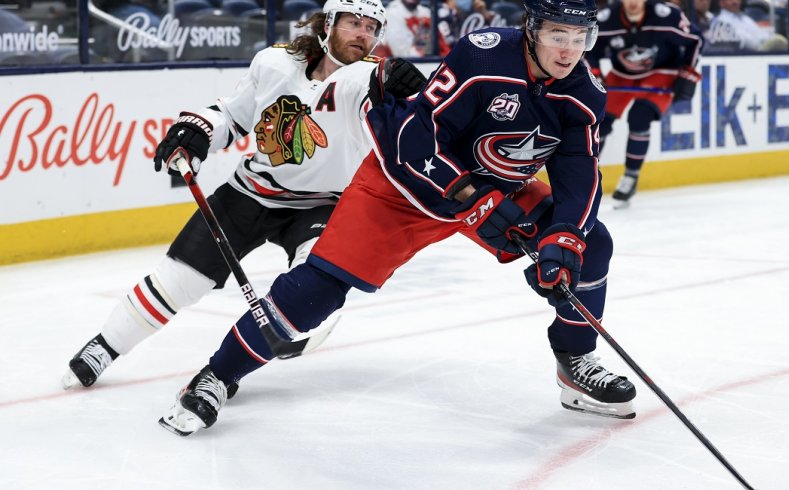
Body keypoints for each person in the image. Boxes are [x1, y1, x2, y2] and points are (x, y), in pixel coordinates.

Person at [159, 0, 638, 437]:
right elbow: (414, 135)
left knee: (589, 245)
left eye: (581, 38)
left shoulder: (583, 91)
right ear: (531, 29)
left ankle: (575, 360)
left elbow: (579, 174)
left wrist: (564, 237)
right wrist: (468, 195)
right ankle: (216, 375)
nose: (569, 50)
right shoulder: (484, 55)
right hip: (400, 187)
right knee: (316, 292)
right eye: (558, 35)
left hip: (491, 191)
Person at [62, 0, 426, 396]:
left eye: (372, 28)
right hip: (250, 193)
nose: (362, 34)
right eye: (354, 23)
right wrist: (198, 130)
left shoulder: (367, 79)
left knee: (313, 290)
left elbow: (388, 102)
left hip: (323, 204)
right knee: (178, 281)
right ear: (327, 24)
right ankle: (105, 346)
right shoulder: (274, 63)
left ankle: (221, 374)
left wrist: (406, 91)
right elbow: (232, 116)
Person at [586, 0, 703, 207]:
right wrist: (596, 74)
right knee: (599, 119)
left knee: (640, 116)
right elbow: (588, 49)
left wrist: (688, 71)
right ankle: (586, 177)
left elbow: (696, 39)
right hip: (622, 74)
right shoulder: (606, 19)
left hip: (661, 72)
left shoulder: (667, 16)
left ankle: (630, 176)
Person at [708, 0, 787, 51]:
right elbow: (743, 42)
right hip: (745, 55)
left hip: (761, 50)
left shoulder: (745, 19)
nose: (735, 2)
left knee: (780, 41)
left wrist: (768, 40)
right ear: (722, 3)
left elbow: (762, 34)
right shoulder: (721, 21)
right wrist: (763, 42)